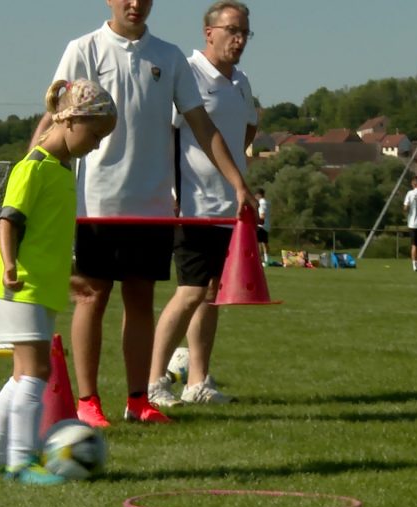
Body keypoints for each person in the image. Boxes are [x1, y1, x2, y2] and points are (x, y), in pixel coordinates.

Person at [32, 0, 256, 427]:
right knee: (91, 298)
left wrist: (238, 182)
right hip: (95, 204)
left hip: (151, 205)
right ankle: (88, 402)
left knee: (140, 302)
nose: (135, 4)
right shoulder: (83, 49)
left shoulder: (169, 56)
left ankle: (139, 401)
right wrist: (29, 169)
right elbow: (54, 116)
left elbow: (203, 126)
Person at [0, 78, 116, 485]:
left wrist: (67, 276)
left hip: (37, 285)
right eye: (93, 135)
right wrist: (9, 266)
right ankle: (22, 461)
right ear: (70, 121)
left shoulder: (59, 172)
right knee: (36, 373)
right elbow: (9, 220)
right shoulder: (32, 167)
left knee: (22, 375)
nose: (95, 144)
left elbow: (45, 235)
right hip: (20, 287)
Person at [147, 0, 257, 408]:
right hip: (191, 206)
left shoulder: (241, 81)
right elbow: (166, 135)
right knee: (190, 291)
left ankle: (197, 381)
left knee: (212, 293)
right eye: (232, 30)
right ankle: (154, 381)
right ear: (208, 32)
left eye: (245, 32)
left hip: (229, 210)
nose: (239, 39)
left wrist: (234, 175)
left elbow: (248, 126)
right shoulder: (187, 73)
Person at [256, 187, 270, 265]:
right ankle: (266, 260)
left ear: (258, 195)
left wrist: (257, 222)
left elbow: (262, 215)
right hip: (266, 225)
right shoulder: (266, 202)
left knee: (259, 243)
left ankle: (261, 260)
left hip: (261, 225)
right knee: (264, 243)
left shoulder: (261, 203)